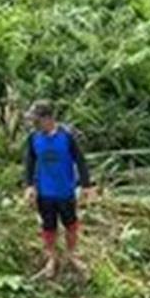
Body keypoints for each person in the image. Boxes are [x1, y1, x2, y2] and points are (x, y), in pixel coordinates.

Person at [22, 101, 93, 278]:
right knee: (48, 226)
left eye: (37, 120)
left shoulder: (67, 136)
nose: (34, 125)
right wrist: (29, 185)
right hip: (45, 192)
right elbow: (29, 162)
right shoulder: (33, 138)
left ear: (49, 119)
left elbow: (80, 160)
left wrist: (86, 186)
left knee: (71, 225)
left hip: (65, 191)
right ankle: (51, 258)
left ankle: (71, 254)